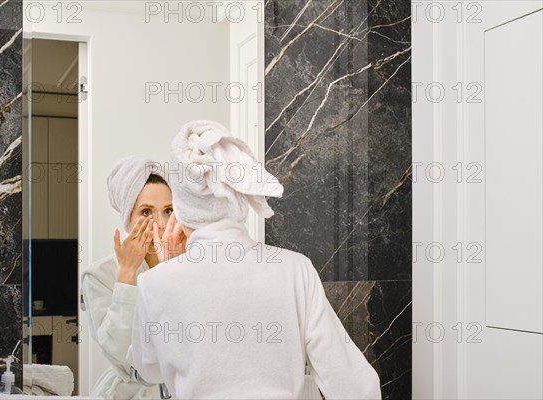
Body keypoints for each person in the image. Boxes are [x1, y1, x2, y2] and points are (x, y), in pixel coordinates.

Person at [127, 121, 382, 399]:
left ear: (180, 207)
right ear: (239, 196)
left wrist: (168, 275)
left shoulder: (155, 283)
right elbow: (352, 383)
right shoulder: (295, 269)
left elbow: (148, 369)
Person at [81, 155, 186, 399]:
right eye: (146, 211)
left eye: (168, 210)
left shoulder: (191, 263)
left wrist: (174, 272)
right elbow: (118, 351)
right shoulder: (99, 275)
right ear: (128, 216)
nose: (160, 223)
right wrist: (126, 276)